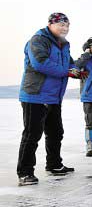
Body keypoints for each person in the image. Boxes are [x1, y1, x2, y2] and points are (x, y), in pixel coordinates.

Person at [17, 13, 78, 186]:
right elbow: (40, 63)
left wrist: (76, 71)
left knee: (55, 132)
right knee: (32, 134)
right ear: (50, 24)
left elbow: (70, 63)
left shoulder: (64, 44)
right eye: (61, 25)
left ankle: (54, 164)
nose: (64, 29)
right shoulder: (38, 40)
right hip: (35, 95)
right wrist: (66, 72)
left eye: (67, 26)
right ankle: (25, 172)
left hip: (53, 97)